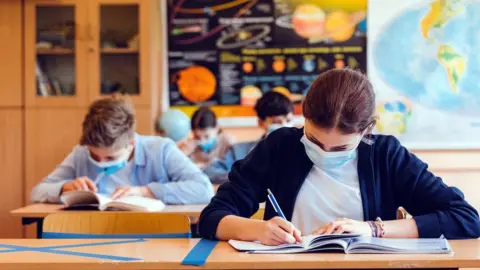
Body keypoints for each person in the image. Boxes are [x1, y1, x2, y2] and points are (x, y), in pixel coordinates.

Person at [198, 69, 480, 244]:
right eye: (314, 140)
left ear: (367, 130)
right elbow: (212, 218)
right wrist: (257, 230)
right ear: (303, 118)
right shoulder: (280, 146)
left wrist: (373, 230)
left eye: (340, 148)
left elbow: (465, 218)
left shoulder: (385, 155)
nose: (323, 153)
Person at [31, 97, 214, 204]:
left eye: (110, 157)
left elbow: (204, 189)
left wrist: (145, 192)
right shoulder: (80, 154)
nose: (101, 163)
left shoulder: (161, 149)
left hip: (152, 238)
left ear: (132, 143)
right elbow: (37, 192)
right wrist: (64, 187)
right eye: (95, 156)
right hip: (92, 238)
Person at [203, 91, 294, 184]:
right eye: (276, 122)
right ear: (261, 123)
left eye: (288, 120)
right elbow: (210, 172)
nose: (284, 126)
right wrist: (243, 176)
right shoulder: (239, 151)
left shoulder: (303, 148)